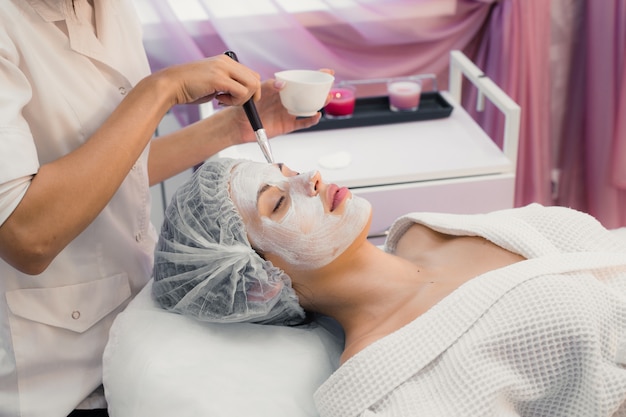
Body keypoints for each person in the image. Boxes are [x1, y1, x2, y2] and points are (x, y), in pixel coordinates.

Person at [0, 1, 329, 416]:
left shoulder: (113, 9)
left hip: (140, 327)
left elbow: (118, 167)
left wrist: (230, 127)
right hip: (55, 375)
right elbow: (25, 234)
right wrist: (161, 90)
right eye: (276, 201)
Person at [153, 157, 626, 417]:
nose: (309, 178)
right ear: (260, 285)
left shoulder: (428, 230)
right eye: (278, 202)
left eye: (287, 169)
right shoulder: (383, 388)